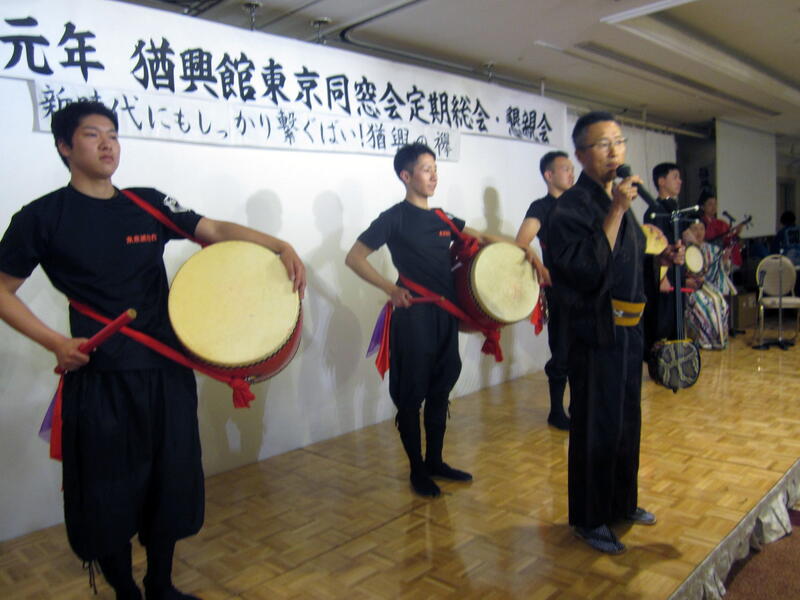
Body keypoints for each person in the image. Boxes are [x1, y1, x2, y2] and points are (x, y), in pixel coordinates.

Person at [0, 101, 306, 600]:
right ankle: (126, 591)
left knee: (171, 481)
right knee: (107, 492)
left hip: (166, 371)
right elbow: (1, 289)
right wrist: (56, 341)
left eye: (113, 135)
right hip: (101, 378)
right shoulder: (42, 217)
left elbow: (216, 232)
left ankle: (161, 584)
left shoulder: (145, 203)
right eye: (92, 135)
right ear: (64, 146)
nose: (107, 144)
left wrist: (279, 246)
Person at [345, 142, 539, 498]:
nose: (434, 174)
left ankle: (435, 460)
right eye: (425, 168)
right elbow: (355, 257)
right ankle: (416, 469)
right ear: (406, 176)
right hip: (413, 316)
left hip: (445, 316)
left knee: (440, 389)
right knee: (411, 395)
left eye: (435, 167)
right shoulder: (394, 217)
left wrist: (522, 250)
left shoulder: (443, 219)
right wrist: (391, 288)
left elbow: (480, 238)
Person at [547, 111, 682, 554]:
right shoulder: (569, 208)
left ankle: (622, 503)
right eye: (603, 144)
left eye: (619, 142)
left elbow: (627, 256)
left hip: (629, 332)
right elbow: (585, 268)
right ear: (582, 155)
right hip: (594, 334)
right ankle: (588, 518)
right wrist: (619, 208)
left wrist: (661, 259)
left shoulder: (621, 201)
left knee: (626, 422)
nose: (614, 152)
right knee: (595, 427)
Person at [515, 150, 574, 430]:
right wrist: (539, 264)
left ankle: (580, 406)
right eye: (565, 169)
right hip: (559, 288)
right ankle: (556, 411)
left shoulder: (581, 204)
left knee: (584, 350)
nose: (571, 173)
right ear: (549, 175)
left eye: (572, 168)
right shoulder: (541, 206)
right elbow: (522, 241)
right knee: (562, 350)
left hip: (586, 287)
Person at [642, 163, 683, 356]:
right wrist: (661, 277)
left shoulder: (674, 209)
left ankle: (675, 364)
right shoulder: (654, 210)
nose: (679, 181)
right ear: (661, 181)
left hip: (676, 271)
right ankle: (659, 363)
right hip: (662, 274)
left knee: (676, 318)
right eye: (675, 177)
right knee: (662, 320)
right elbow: (653, 248)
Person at [682, 221, 733, 349]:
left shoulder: (713, 250)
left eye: (701, 228)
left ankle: (720, 339)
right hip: (688, 289)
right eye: (694, 229)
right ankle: (705, 340)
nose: (698, 232)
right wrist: (686, 281)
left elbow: (721, 271)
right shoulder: (682, 249)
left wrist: (725, 261)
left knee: (721, 303)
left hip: (707, 286)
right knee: (703, 304)